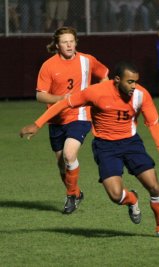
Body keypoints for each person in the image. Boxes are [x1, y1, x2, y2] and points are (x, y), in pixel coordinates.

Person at [20, 61, 159, 239]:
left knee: (154, 186)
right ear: (117, 80)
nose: (134, 86)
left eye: (136, 81)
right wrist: (37, 124)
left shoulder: (142, 95)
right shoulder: (96, 92)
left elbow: (153, 122)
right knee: (115, 195)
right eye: (130, 82)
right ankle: (132, 199)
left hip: (132, 144)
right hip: (105, 147)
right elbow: (64, 104)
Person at [35, 26, 109, 214]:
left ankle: (70, 196)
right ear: (57, 45)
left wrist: (99, 95)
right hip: (56, 120)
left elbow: (105, 75)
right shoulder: (49, 66)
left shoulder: (87, 60)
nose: (69, 45)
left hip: (80, 115)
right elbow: (40, 96)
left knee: (69, 154)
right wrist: (59, 99)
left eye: (71, 41)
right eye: (64, 42)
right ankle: (76, 192)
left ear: (76, 42)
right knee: (62, 164)